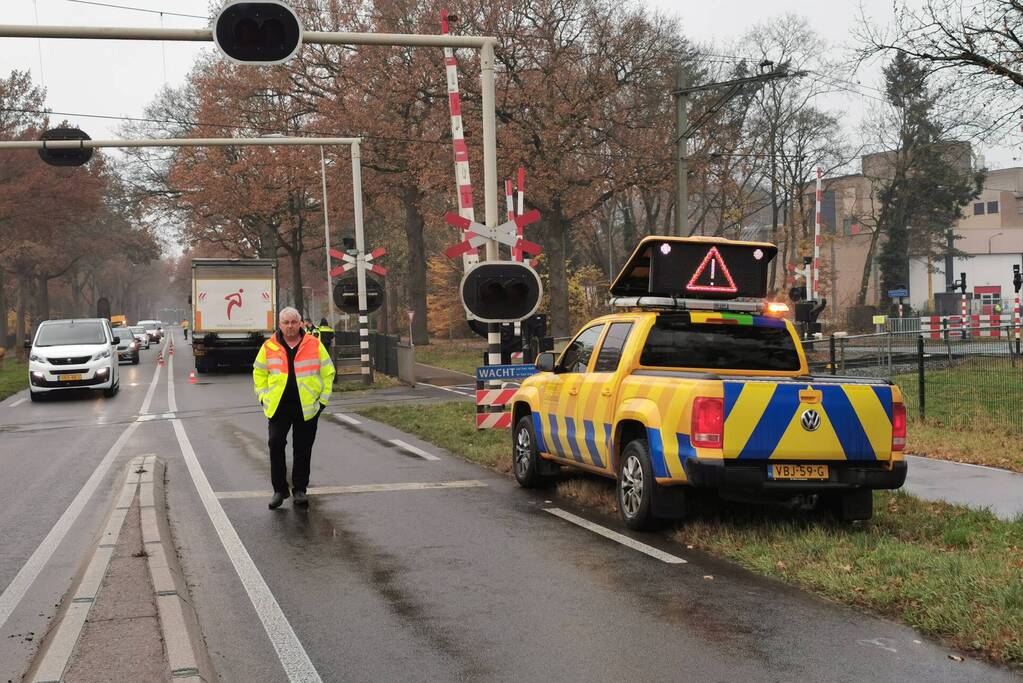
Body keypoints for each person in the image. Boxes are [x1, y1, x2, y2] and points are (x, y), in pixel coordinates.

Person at [253, 307, 335, 509]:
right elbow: (259, 373)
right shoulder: (269, 346)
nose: (290, 326)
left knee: (302, 449)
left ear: (300, 324)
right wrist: (263, 397)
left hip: (307, 407)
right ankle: (279, 490)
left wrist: (322, 402)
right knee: (275, 444)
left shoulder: (314, 344)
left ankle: (299, 489)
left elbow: (328, 373)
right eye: (286, 322)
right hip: (278, 406)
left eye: (293, 322)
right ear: (279, 325)